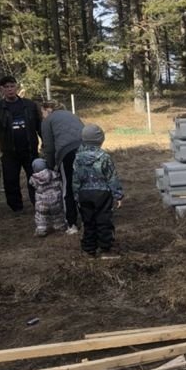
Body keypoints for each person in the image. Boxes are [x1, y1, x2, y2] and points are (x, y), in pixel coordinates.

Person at [0, 75, 41, 213]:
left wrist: (46, 142)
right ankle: (17, 208)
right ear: (2, 89)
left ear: (16, 87)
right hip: (8, 152)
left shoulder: (29, 105)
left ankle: (38, 204)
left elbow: (39, 125)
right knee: (11, 181)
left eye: (12, 86)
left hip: (29, 149)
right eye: (6, 87)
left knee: (35, 178)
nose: (10, 89)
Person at [72, 124, 123, 257]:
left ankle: (89, 249)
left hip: (84, 193)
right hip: (102, 194)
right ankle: (105, 248)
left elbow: (75, 178)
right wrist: (118, 195)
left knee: (88, 221)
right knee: (104, 220)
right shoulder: (104, 157)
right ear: (101, 140)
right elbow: (112, 177)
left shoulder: (77, 158)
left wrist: (76, 194)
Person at [40, 101, 83, 234]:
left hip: (67, 153)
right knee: (84, 184)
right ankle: (88, 219)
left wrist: (51, 165)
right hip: (85, 149)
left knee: (68, 187)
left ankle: (71, 224)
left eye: (42, 112)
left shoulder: (47, 121)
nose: (42, 115)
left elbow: (49, 147)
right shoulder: (72, 115)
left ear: (47, 110)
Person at [29, 158, 66, 237]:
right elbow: (60, 183)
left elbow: (32, 184)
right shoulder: (54, 174)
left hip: (42, 204)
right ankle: (60, 226)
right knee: (58, 215)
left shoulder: (34, 179)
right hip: (56, 201)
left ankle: (41, 230)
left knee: (41, 217)